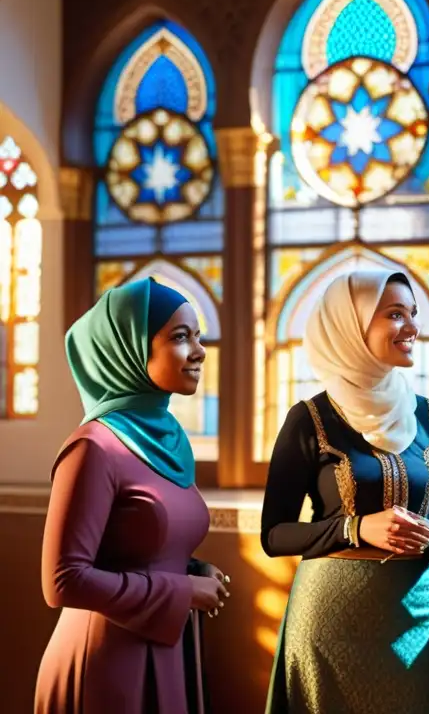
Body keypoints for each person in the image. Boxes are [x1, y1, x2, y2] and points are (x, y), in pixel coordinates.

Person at [262, 270, 429, 714]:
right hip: (330, 615)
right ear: (349, 325)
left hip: (414, 616)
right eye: (395, 314)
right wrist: (356, 527)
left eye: (413, 313)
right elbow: (274, 535)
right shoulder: (309, 418)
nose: (412, 327)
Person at [35, 278, 229, 714]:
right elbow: (62, 581)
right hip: (106, 664)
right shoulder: (93, 448)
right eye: (180, 337)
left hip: (167, 648)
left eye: (198, 336)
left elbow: (139, 544)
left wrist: (192, 569)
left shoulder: (170, 438)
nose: (199, 351)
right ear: (128, 350)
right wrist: (181, 590)